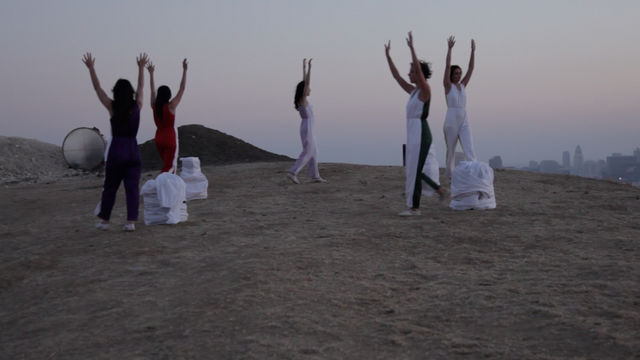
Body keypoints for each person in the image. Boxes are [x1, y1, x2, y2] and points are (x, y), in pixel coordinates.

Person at [83, 52, 148, 231]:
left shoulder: (112, 107)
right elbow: (142, 86)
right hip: (133, 149)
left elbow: (98, 89)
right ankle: (130, 222)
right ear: (131, 93)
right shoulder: (137, 106)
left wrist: (91, 69)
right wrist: (141, 68)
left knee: (110, 187)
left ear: (116, 93)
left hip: (117, 150)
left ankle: (105, 221)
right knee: (132, 188)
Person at [385, 32, 447, 216]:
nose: (410, 74)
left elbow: (420, 74)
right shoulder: (413, 91)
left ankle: (415, 208)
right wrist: (388, 56)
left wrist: (412, 48)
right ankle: (438, 191)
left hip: (421, 133)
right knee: (412, 169)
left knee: (415, 169)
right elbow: (397, 78)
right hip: (413, 133)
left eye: (412, 71)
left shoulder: (425, 90)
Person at [287, 58, 327, 184]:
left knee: (314, 151)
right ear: (304, 90)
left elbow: (305, 83)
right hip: (307, 127)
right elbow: (306, 83)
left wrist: (305, 68)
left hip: (308, 126)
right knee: (308, 151)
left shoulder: (302, 99)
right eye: (308, 88)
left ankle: (315, 176)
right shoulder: (302, 99)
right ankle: (293, 172)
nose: (310, 90)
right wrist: (308, 69)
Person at [443, 35, 477, 177]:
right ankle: (450, 175)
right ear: (451, 74)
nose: (458, 75)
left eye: (459, 73)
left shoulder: (463, 85)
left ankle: (475, 172)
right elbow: (447, 65)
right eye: (455, 73)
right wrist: (449, 49)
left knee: (469, 147)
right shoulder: (447, 85)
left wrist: (473, 51)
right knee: (451, 150)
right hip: (451, 119)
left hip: (464, 118)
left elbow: (471, 68)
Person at [147, 58, 188, 174]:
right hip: (170, 138)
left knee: (167, 165)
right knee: (170, 168)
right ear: (169, 95)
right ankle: (158, 187)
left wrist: (151, 74)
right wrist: (185, 70)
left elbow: (152, 91)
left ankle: (167, 188)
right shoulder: (171, 106)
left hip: (159, 138)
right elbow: (182, 88)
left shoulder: (154, 106)